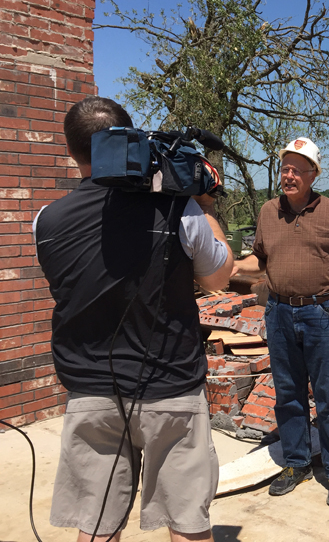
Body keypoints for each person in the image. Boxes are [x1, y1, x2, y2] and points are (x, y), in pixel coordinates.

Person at [35, 97, 233, 542]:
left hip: (90, 392)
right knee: (186, 522)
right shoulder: (179, 211)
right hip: (171, 392)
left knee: (97, 523)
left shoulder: (45, 220)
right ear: (129, 140)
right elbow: (220, 276)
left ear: (71, 152)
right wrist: (202, 203)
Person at [234, 137, 329, 507]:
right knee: (289, 394)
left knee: (327, 397)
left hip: (321, 313)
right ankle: (296, 463)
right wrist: (229, 266)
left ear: (313, 174)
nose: (289, 175)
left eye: (297, 169)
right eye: (285, 168)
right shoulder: (267, 212)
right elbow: (259, 260)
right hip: (278, 313)